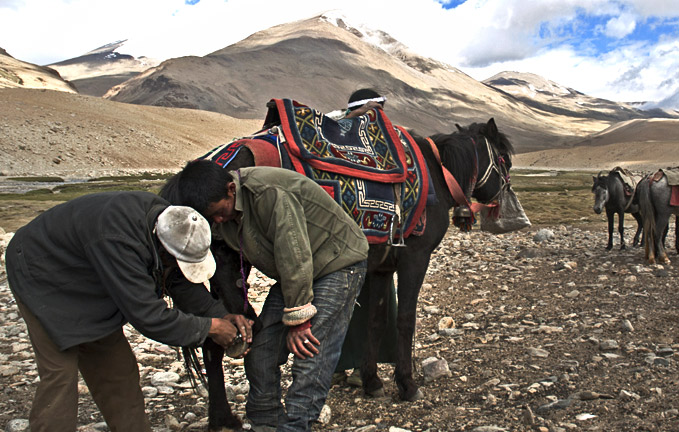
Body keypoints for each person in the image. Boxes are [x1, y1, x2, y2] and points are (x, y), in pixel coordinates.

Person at [4, 191, 254, 432]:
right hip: (40, 272)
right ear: (164, 249)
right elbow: (150, 317)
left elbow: (176, 280)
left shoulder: (167, 223)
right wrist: (209, 328)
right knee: (60, 376)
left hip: (91, 279)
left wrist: (218, 313)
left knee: (119, 374)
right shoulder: (119, 242)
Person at [170, 161, 369, 431]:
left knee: (310, 351)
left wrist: (299, 319)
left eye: (219, 213)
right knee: (261, 350)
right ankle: (266, 421)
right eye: (211, 217)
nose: (217, 221)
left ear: (232, 190)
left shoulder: (269, 193)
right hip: (297, 272)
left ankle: (297, 426)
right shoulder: (222, 214)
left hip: (337, 262)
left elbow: (294, 254)